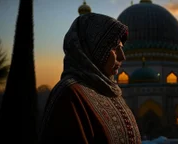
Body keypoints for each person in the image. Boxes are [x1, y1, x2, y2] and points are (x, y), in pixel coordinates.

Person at [38, 13, 141, 144]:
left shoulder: (109, 91)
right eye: (115, 48)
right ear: (94, 49)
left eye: (122, 48)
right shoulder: (71, 94)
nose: (122, 57)